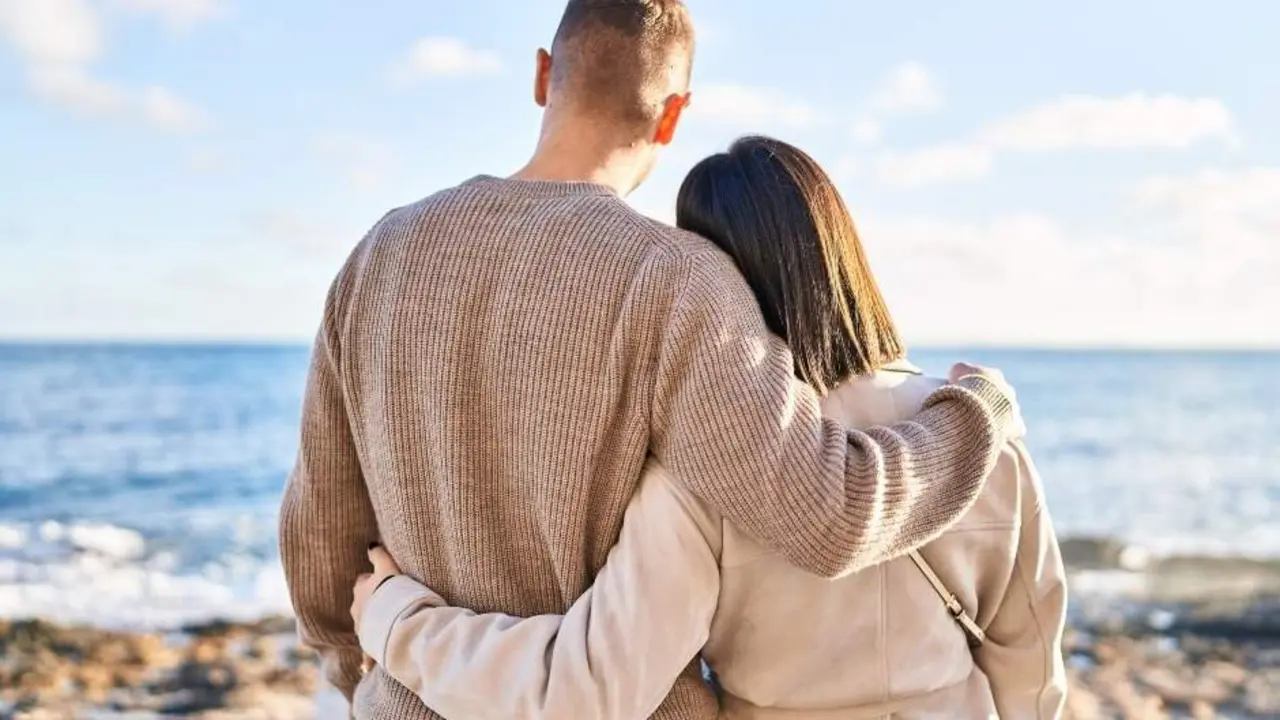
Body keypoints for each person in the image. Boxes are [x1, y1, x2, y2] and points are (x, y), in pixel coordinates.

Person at [279, 1, 1022, 718]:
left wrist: (366, 678)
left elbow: (320, 541)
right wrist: (974, 416)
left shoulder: (381, 255)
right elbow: (828, 516)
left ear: (543, 75)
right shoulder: (678, 281)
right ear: (673, 114)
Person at [350, 137, 1068, 719]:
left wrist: (396, 623)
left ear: (719, 281)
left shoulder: (707, 469)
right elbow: (1034, 679)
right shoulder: (978, 434)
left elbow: (588, 689)